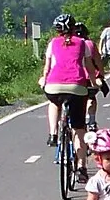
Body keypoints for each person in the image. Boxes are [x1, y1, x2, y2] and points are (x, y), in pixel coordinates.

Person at [39, 14, 91, 158]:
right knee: (79, 129)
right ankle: (81, 168)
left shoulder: (53, 43)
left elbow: (47, 67)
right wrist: (94, 82)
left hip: (53, 85)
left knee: (53, 102)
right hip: (77, 86)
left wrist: (44, 78)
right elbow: (90, 68)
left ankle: (53, 133)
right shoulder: (82, 43)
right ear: (74, 28)